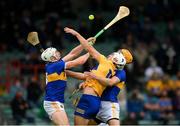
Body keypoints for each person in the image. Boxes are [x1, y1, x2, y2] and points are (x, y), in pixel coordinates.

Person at [65, 27, 127, 125]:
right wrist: (66, 72)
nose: (109, 55)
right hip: (96, 102)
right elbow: (85, 76)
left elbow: (87, 48)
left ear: (114, 60)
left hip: (88, 100)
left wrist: (77, 34)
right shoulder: (107, 71)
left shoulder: (105, 62)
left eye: (112, 55)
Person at [42, 27, 96, 125]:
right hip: (53, 102)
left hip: (56, 102)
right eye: (56, 52)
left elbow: (72, 53)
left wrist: (85, 44)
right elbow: (79, 61)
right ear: (53, 57)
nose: (58, 52)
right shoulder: (56, 66)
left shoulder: (55, 64)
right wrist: (91, 51)